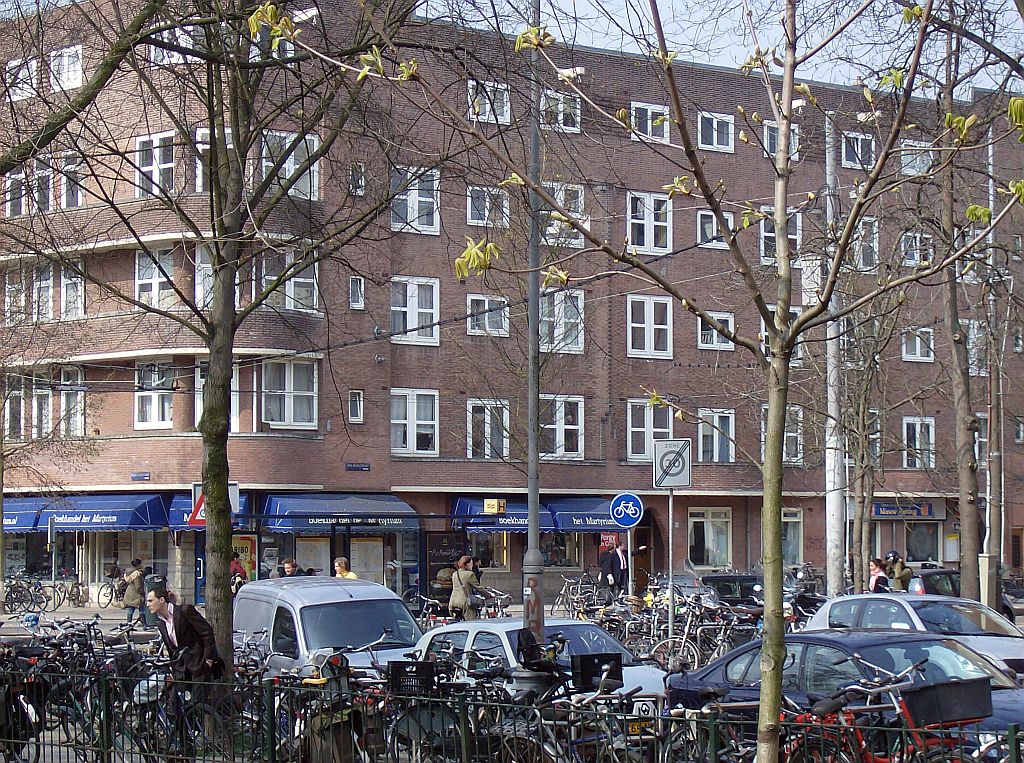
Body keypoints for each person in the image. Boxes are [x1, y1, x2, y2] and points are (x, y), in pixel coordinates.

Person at [145, 586, 224, 680]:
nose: (147, 605)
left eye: (150, 601)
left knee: (198, 694)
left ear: (161, 600)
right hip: (181, 671)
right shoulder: (161, 623)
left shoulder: (185, 611)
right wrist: (174, 670)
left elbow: (207, 632)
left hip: (199, 666)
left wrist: (208, 659)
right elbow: (172, 650)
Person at [449, 555, 489, 621]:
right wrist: (488, 595)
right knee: (471, 622)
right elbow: (478, 588)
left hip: (453, 601)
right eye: (471, 564)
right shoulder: (470, 574)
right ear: (466, 564)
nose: (472, 566)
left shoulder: (455, 574)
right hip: (464, 602)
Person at [122, 558, 145, 624]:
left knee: (131, 609)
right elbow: (138, 585)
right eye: (141, 564)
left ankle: (129, 624)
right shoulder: (136, 574)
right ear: (138, 565)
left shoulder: (128, 572)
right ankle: (144, 624)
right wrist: (142, 592)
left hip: (129, 592)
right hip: (136, 594)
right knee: (141, 609)